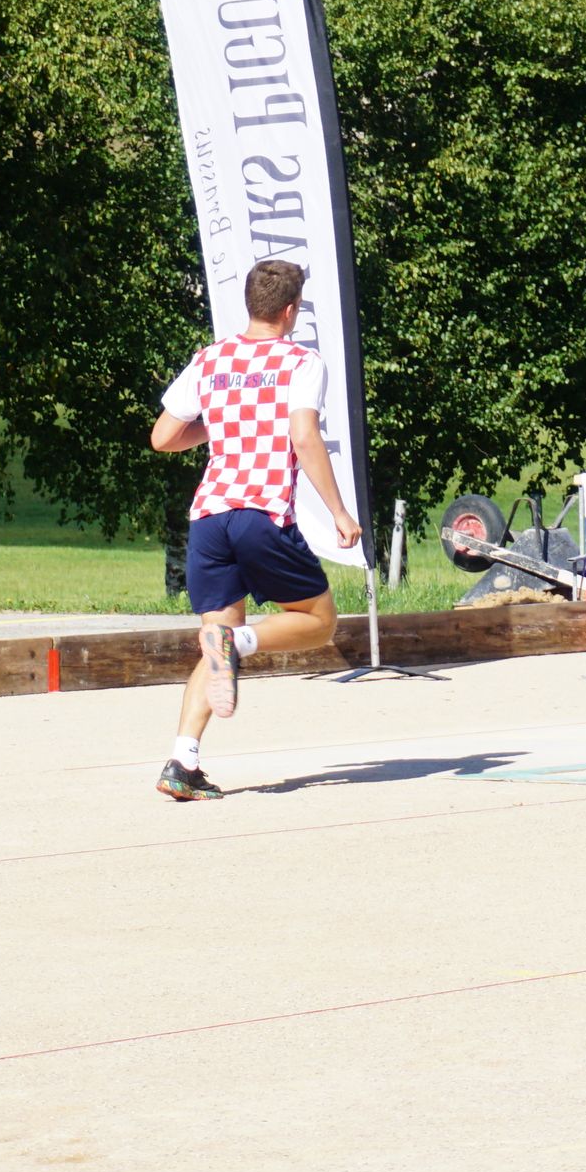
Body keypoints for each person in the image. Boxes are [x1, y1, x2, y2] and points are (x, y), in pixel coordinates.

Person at [146, 258, 357, 800]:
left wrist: (220, 426)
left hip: (208, 519)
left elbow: (163, 437)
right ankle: (237, 640)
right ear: (290, 310)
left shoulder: (210, 358)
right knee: (319, 621)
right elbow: (304, 437)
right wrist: (338, 511)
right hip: (260, 515)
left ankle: (182, 762)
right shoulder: (301, 362)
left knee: (214, 646)